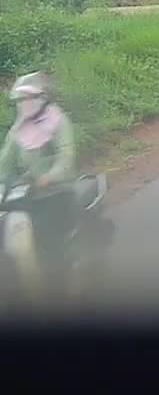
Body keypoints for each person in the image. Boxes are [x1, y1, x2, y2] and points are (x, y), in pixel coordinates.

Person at [0, 71, 78, 287]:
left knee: (48, 238)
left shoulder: (58, 121)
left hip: (56, 191)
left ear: (42, 98)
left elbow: (66, 158)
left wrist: (49, 177)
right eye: (20, 99)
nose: (24, 103)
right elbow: (5, 160)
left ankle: (66, 282)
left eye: (29, 98)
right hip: (27, 194)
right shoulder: (19, 126)